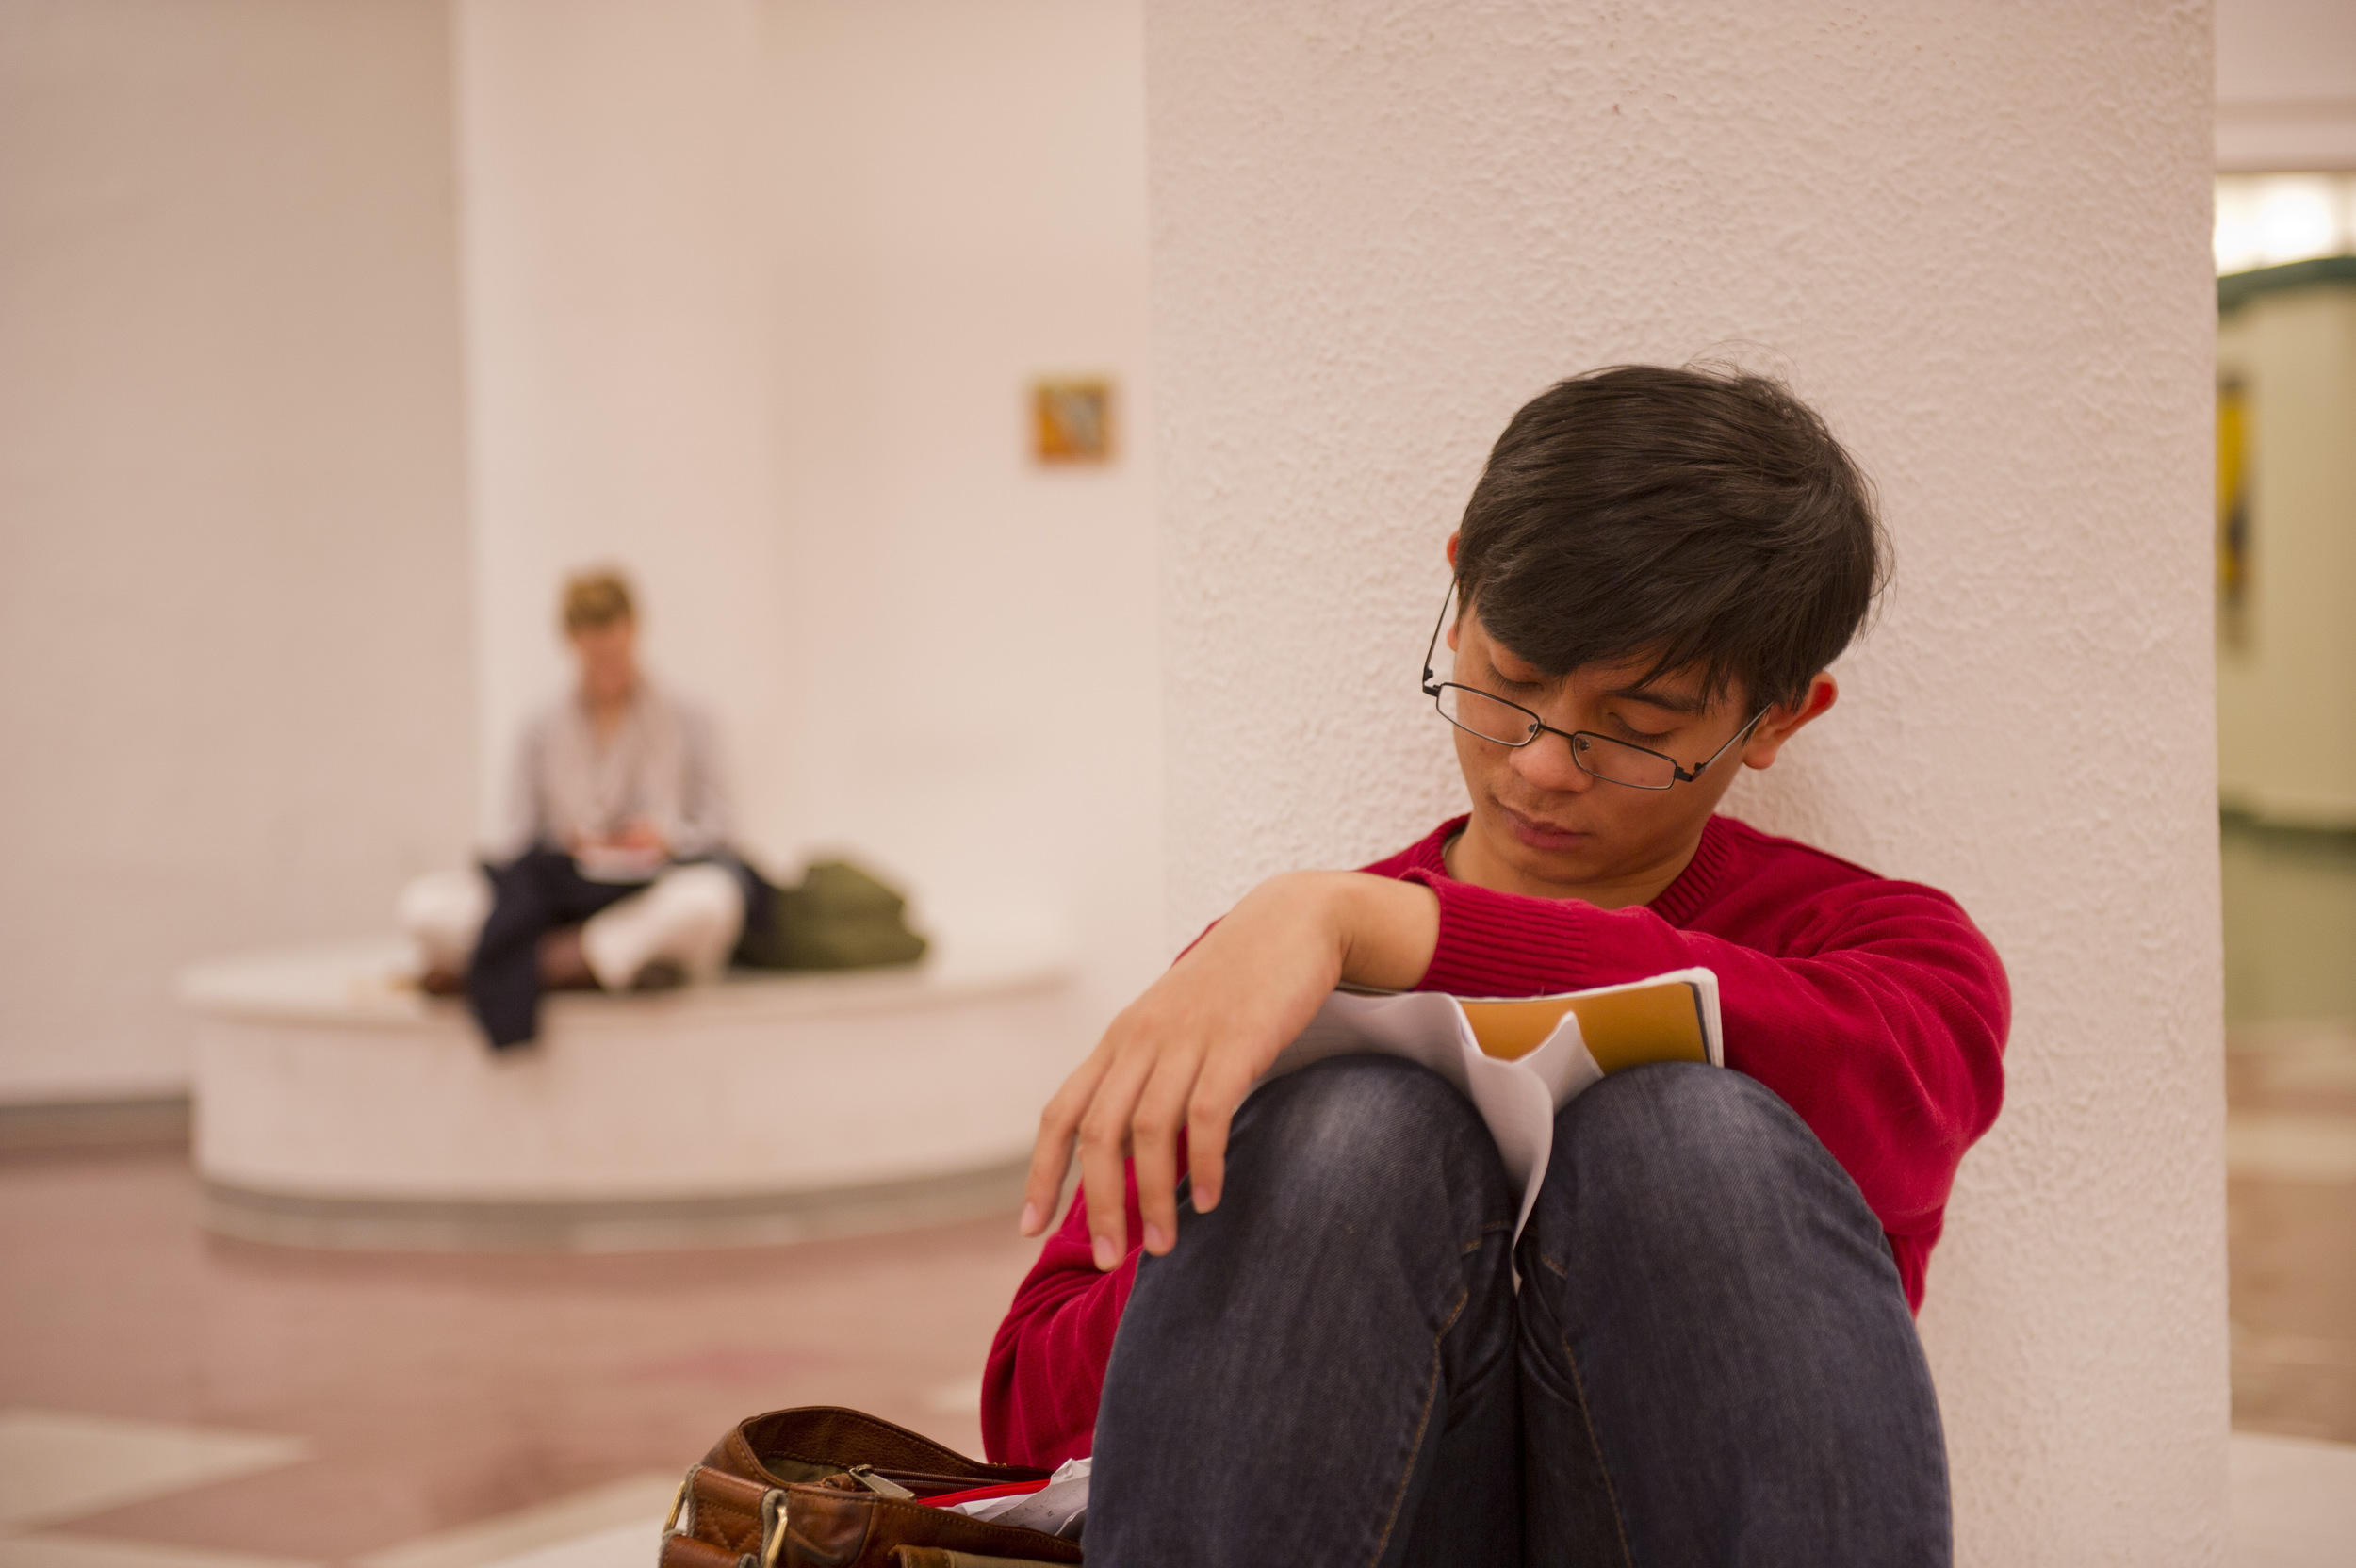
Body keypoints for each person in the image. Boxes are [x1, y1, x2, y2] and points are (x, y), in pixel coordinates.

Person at [983, 366, 2009, 1565]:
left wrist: (1392, 937)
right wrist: (1253, 1231)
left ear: (1777, 719)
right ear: (1458, 587)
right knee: (1347, 1132)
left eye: (1635, 723)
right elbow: (1025, 1410)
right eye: (1507, 682)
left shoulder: (1879, 953)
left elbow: (1897, 1083)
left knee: (1690, 1131)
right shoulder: (1271, 963)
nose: (1539, 766)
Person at [399, 569, 757, 1050]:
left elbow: (721, 828)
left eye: (614, 647)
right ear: (571, 643)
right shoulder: (540, 729)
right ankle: (591, 966)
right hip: (562, 899)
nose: (605, 662)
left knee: (711, 903)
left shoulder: (689, 719)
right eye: (593, 651)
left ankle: (522, 968)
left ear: (633, 631)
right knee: (423, 908)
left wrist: (663, 838)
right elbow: (513, 841)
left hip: (645, 891)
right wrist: (569, 846)